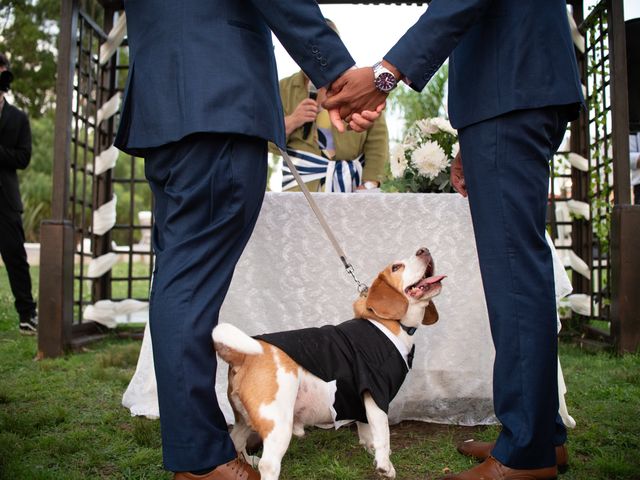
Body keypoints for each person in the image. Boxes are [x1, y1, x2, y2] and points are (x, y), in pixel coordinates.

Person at [113, 2, 379, 479]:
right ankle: (199, 458)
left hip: (163, 103)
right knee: (188, 286)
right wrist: (338, 71)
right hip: (219, 99)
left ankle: (192, 448)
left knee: (178, 279)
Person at [324, 1, 583, 479]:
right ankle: (540, 434)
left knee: (514, 277)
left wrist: (383, 75)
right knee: (518, 271)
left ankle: (528, 452)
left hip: (513, 87)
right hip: (508, 91)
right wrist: (473, 132)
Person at [274, 19, 388, 193]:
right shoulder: (283, 89)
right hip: (301, 189)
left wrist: (370, 182)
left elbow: (377, 137)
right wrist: (292, 121)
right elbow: (266, 142)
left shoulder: (357, 86)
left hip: (353, 188)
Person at [0, 52, 38, 335]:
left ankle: (28, 316)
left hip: (6, 200)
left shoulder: (18, 118)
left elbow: (23, 157)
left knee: (16, 258)